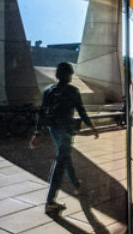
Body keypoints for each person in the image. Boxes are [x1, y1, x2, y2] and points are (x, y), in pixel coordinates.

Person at [30, 62, 99, 214]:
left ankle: (77, 186)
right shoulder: (73, 90)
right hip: (66, 130)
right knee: (61, 162)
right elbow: (81, 110)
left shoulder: (49, 90)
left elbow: (42, 112)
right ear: (68, 75)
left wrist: (37, 133)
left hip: (53, 129)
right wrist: (92, 126)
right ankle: (50, 202)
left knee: (65, 157)